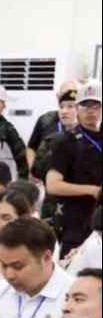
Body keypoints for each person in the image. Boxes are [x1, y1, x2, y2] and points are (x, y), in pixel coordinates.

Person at [46, 79, 103, 254]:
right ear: (77, 109)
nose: (91, 111)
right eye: (85, 106)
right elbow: (53, 185)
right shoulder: (65, 141)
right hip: (78, 223)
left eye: (96, 106)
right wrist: (93, 190)